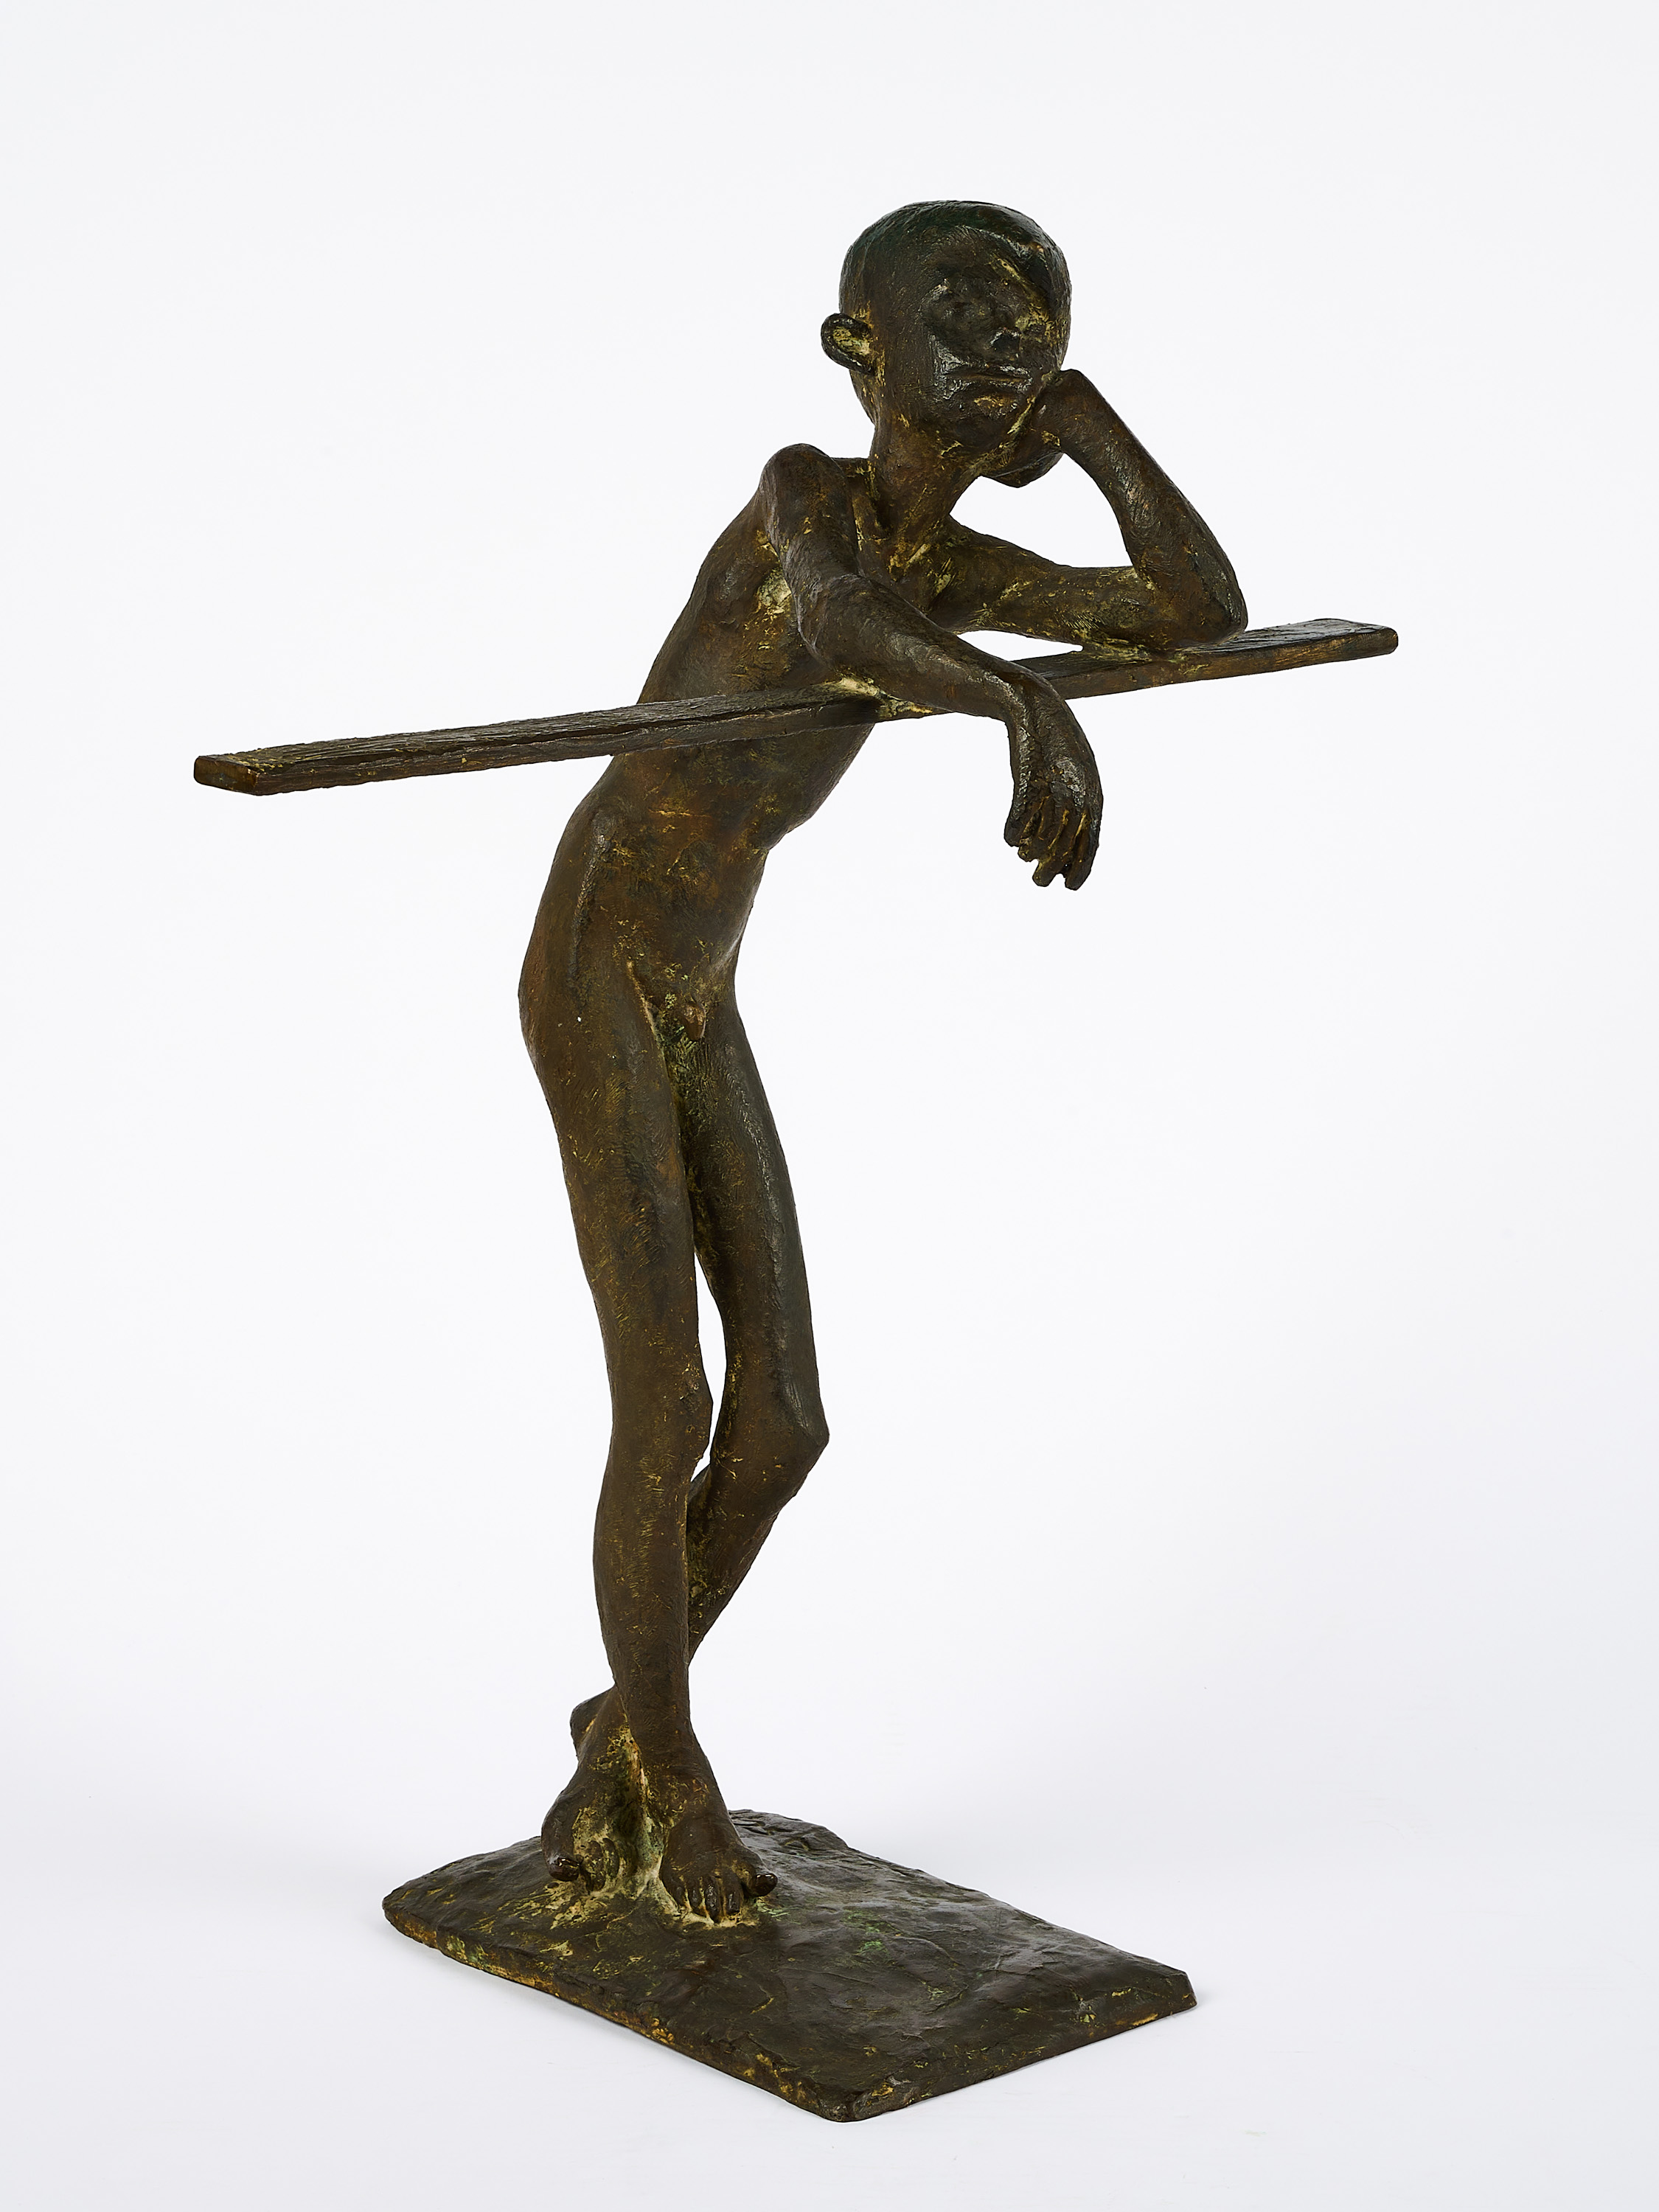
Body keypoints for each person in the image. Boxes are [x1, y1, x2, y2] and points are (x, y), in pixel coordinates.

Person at [518, 201, 1246, 1920]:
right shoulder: (806, 501)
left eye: (1037, 331)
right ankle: (668, 1771)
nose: (1011, 350)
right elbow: (843, 624)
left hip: (702, 984)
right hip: (603, 956)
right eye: (967, 318)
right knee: (670, 1399)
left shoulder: (959, 576)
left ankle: (624, 1716)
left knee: (781, 1423)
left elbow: (1196, 611)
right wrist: (1021, 704)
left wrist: (1095, 432)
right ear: (861, 352)